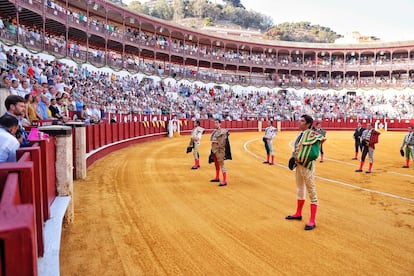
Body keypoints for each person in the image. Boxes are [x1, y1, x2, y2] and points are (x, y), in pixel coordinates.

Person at [285, 115, 324, 231]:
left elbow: (317, 149)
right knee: (300, 189)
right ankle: (298, 213)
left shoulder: (311, 134)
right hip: (298, 165)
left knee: (311, 192)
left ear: (308, 124)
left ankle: (312, 220)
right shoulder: (299, 134)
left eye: (302, 121)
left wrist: (300, 158)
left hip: (307, 165)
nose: (299, 122)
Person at [210, 119, 229, 187]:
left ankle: (224, 180)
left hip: (219, 150)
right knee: (216, 163)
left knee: (221, 164)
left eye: (217, 123)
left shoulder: (222, 131)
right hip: (214, 149)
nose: (215, 124)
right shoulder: (215, 131)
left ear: (220, 124)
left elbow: (223, 141)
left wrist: (220, 148)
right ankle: (217, 177)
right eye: (215, 123)